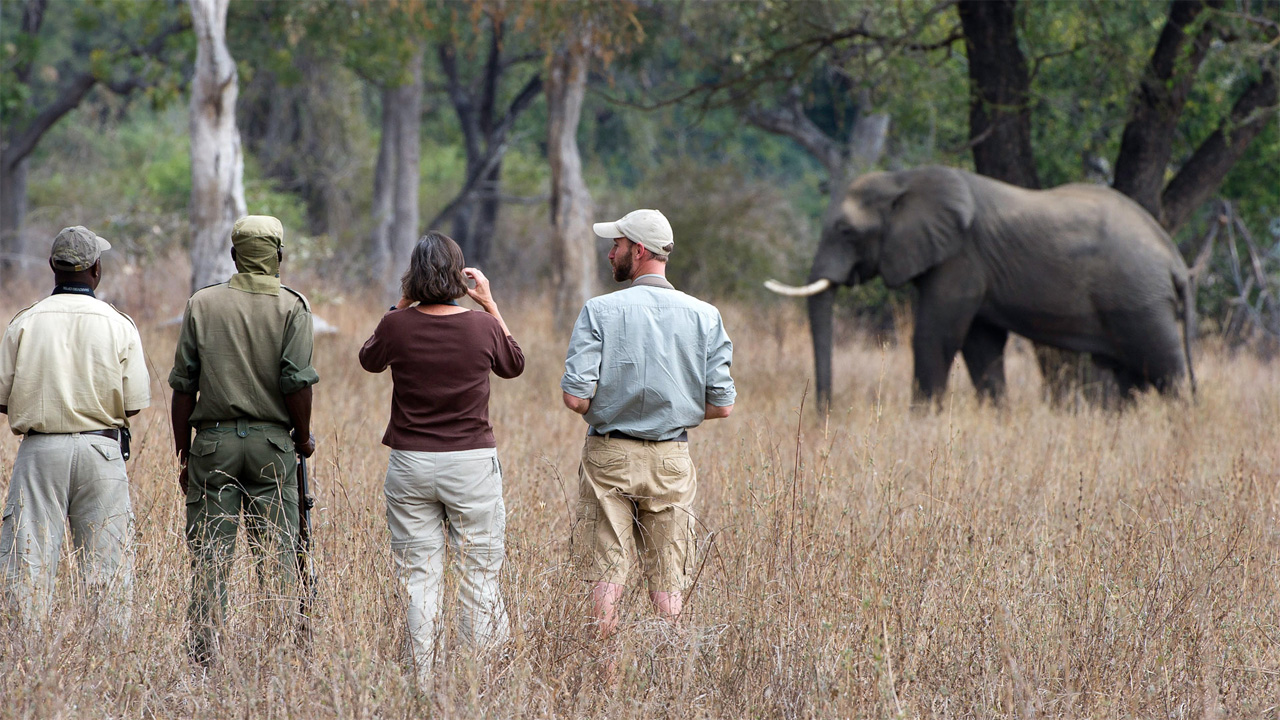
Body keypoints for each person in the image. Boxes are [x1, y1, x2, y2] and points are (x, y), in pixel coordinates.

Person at [561, 208, 736, 640]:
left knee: (605, 577)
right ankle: (671, 680)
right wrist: (676, 412)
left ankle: (606, 682)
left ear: (638, 251)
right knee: (669, 584)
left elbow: (575, 398)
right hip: (672, 459)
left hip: (609, 457)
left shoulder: (598, 310)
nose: (610, 253)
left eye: (616, 245)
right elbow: (724, 404)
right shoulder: (705, 315)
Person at [359, 232, 524, 689]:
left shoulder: (397, 326)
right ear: (460, 276)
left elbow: (368, 359)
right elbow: (514, 364)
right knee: (480, 575)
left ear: (413, 276)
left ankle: (422, 683)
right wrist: (490, 304)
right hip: (471, 463)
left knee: (418, 578)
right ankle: (479, 683)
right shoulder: (483, 327)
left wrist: (400, 302)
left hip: (410, 464)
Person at [168, 215, 319, 665]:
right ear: (279, 257)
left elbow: (182, 387)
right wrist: (304, 438)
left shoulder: (202, 304)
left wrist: (183, 454)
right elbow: (297, 383)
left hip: (212, 447)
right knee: (276, 558)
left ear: (235, 256)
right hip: (273, 447)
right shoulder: (292, 307)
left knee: (211, 557)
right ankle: (276, 659)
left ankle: (203, 660)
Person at [0, 226, 150, 634]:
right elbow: (134, 402)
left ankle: (26, 657)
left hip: (40, 453)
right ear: (96, 270)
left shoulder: (24, 322)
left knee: (27, 564)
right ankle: (109, 659)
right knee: (107, 567)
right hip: (102, 451)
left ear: (52, 266)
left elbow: (2, 397)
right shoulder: (119, 324)